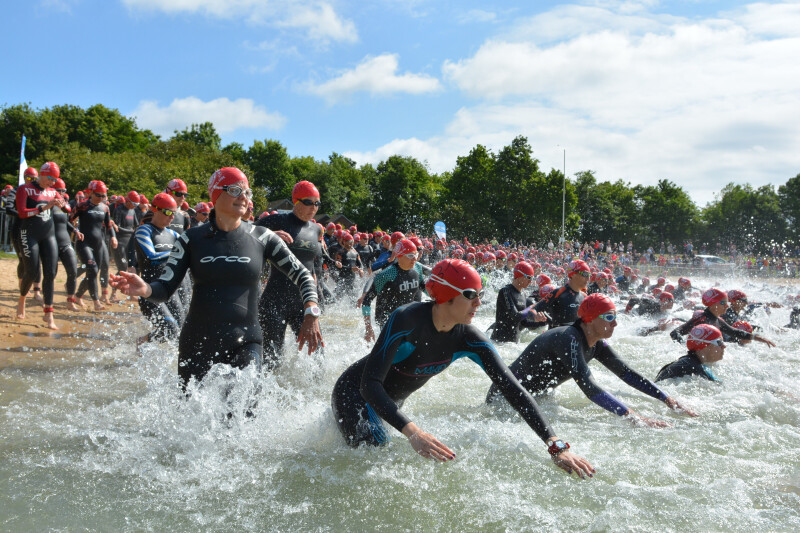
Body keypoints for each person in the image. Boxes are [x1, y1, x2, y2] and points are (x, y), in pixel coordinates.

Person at [331, 259, 595, 478]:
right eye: (470, 295)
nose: (478, 303)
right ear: (446, 294)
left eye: (480, 295)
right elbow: (370, 384)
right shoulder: (406, 319)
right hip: (355, 394)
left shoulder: (471, 339)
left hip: (388, 404)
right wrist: (414, 432)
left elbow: (513, 389)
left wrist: (556, 446)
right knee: (375, 466)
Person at [111, 167, 323, 388]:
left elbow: (303, 276)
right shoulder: (191, 239)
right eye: (234, 190)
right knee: (192, 417)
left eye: (247, 192)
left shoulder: (263, 238)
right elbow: (164, 288)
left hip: (247, 342)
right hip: (197, 343)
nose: (243, 197)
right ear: (216, 194)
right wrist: (145, 289)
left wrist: (311, 311)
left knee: (244, 415)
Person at [486, 293, 697, 426]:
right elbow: (590, 388)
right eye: (608, 317)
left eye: (615, 317)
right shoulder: (568, 338)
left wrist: (665, 398)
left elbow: (627, 373)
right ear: (589, 319)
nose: (614, 324)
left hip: (532, 398)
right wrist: (634, 417)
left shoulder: (596, 344)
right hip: (505, 399)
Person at [256, 180, 328, 369]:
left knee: (318, 357)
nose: (314, 207)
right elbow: (244, 237)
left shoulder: (316, 229)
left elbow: (312, 269)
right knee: (271, 362)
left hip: (302, 303)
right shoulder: (275, 221)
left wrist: (315, 305)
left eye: (317, 203)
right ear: (295, 201)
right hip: (274, 302)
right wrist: (269, 236)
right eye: (309, 202)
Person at [15, 162, 64, 329]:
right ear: (42, 174)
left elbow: (67, 208)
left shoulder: (53, 191)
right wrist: (45, 207)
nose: (52, 182)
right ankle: (22, 300)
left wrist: (63, 205)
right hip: (29, 234)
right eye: (50, 178)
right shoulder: (25, 189)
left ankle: (49, 315)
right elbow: (22, 212)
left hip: (48, 235)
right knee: (32, 271)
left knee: (50, 273)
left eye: (55, 180)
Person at [132, 193, 183, 343]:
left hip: (170, 291)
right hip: (150, 291)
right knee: (171, 329)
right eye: (168, 212)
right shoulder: (144, 230)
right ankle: (141, 342)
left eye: (174, 213)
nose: (172, 217)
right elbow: (151, 256)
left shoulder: (173, 234)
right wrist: (178, 253)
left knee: (179, 331)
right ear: (155, 210)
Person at [359, 238, 425, 342]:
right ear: (399, 256)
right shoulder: (386, 274)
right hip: (387, 318)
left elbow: (424, 287)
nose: (414, 259)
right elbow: (366, 301)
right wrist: (368, 328)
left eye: (415, 255)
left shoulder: (417, 268)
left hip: (406, 316)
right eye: (410, 256)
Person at [669, 288, 775, 348]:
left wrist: (758, 338)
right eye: (723, 303)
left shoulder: (717, 320)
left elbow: (735, 332)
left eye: (727, 303)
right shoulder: (702, 319)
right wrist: (687, 347)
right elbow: (674, 333)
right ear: (713, 304)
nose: (727, 306)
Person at [72, 180, 117, 310]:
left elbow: (109, 225)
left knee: (94, 272)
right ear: (90, 193)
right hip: (83, 242)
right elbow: (68, 220)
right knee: (92, 268)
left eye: (104, 196)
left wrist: (113, 237)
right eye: (99, 195)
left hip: (98, 243)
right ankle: (96, 302)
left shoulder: (105, 208)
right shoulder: (82, 206)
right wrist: (75, 230)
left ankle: (78, 296)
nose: (101, 198)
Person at [51, 177, 83, 311]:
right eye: (59, 190)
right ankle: (48, 301)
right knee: (51, 274)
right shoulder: (48, 203)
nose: (62, 193)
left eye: (64, 190)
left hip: (65, 241)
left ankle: (70, 300)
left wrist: (75, 230)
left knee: (73, 270)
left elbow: (65, 222)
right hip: (51, 242)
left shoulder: (64, 204)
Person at [489, 262, 541, 343]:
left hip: (513, 344)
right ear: (519, 276)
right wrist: (531, 308)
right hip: (499, 341)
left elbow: (523, 322)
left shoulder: (523, 295)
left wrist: (540, 323)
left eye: (532, 278)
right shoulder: (505, 291)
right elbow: (515, 315)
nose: (531, 281)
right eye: (529, 277)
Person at [531, 259, 589, 328]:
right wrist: (536, 316)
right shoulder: (558, 293)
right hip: (557, 337)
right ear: (573, 274)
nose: (588, 278)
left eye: (589, 275)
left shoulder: (585, 297)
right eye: (585, 274)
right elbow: (533, 309)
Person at [655, 324, 724, 382]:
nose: (724, 346)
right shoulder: (697, 369)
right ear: (703, 345)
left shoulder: (686, 362)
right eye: (719, 342)